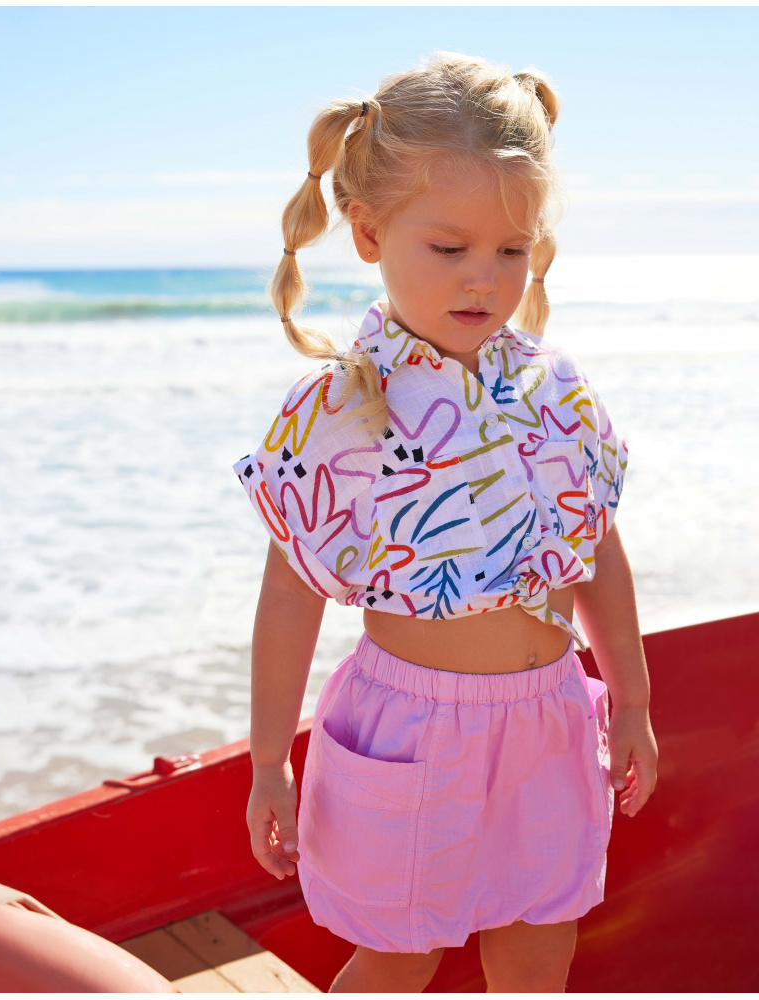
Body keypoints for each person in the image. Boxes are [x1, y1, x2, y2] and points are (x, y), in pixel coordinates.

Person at [234, 51, 658, 993]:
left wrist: (628, 697)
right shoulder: (337, 413)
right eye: (450, 247)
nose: (485, 279)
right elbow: (288, 600)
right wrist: (268, 761)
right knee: (400, 949)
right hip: (413, 728)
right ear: (371, 231)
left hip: (549, 718)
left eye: (511, 251)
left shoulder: (554, 390)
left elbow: (594, 550)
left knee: (540, 943)